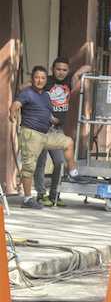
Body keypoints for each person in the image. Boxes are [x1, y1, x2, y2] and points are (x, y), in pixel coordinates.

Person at [9, 66, 86, 209]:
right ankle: (27, 199)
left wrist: (53, 120)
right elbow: (16, 104)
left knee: (68, 141)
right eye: (37, 77)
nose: (40, 80)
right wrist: (12, 113)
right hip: (31, 134)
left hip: (46, 134)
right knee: (29, 167)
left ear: (46, 80)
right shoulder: (27, 93)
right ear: (32, 79)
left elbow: (47, 113)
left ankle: (73, 173)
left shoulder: (46, 95)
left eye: (43, 78)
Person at [34, 57, 90, 206]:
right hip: (41, 128)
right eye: (58, 69)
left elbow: (88, 67)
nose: (61, 72)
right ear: (53, 69)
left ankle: (55, 194)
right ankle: (40, 194)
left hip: (57, 130)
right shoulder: (46, 81)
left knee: (59, 162)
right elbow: (29, 91)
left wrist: (77, 72)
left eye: (64, 70)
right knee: (40, 162)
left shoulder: (68, 81)